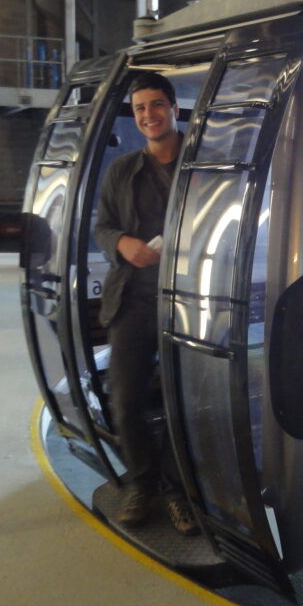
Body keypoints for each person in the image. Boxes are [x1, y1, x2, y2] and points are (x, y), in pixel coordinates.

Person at [93, 72, 199, 536]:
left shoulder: (203, 166)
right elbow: (102, 226)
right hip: (133, 297)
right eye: (139, 108)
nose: (148, 115)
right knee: (125, 399)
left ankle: (177, 491)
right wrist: (122, 244)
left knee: (184, 401)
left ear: (174, 109)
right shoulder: (121, 171)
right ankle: (142, 482)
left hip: (190, 298)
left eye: (156, 105)